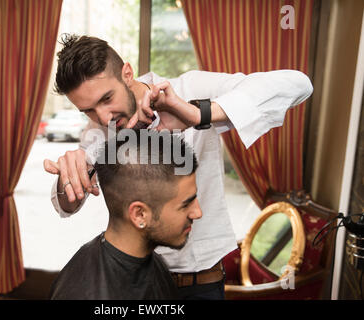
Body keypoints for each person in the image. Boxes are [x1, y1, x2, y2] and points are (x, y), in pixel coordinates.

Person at [43, 34, 314, 300]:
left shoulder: (189, 89)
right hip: (134, 284)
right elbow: (65, 206)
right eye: (88, 110)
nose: (102, 117)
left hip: (200, 282)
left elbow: (298, 84)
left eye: (106, 99)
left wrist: (198, 113)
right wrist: (69, 177)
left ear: (127, 73)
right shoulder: (97, 132)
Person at [49, 130, 202, 300]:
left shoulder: (154, 263)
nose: (198, 213)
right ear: (139, 214)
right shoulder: (83, 293)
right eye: (186, 204)